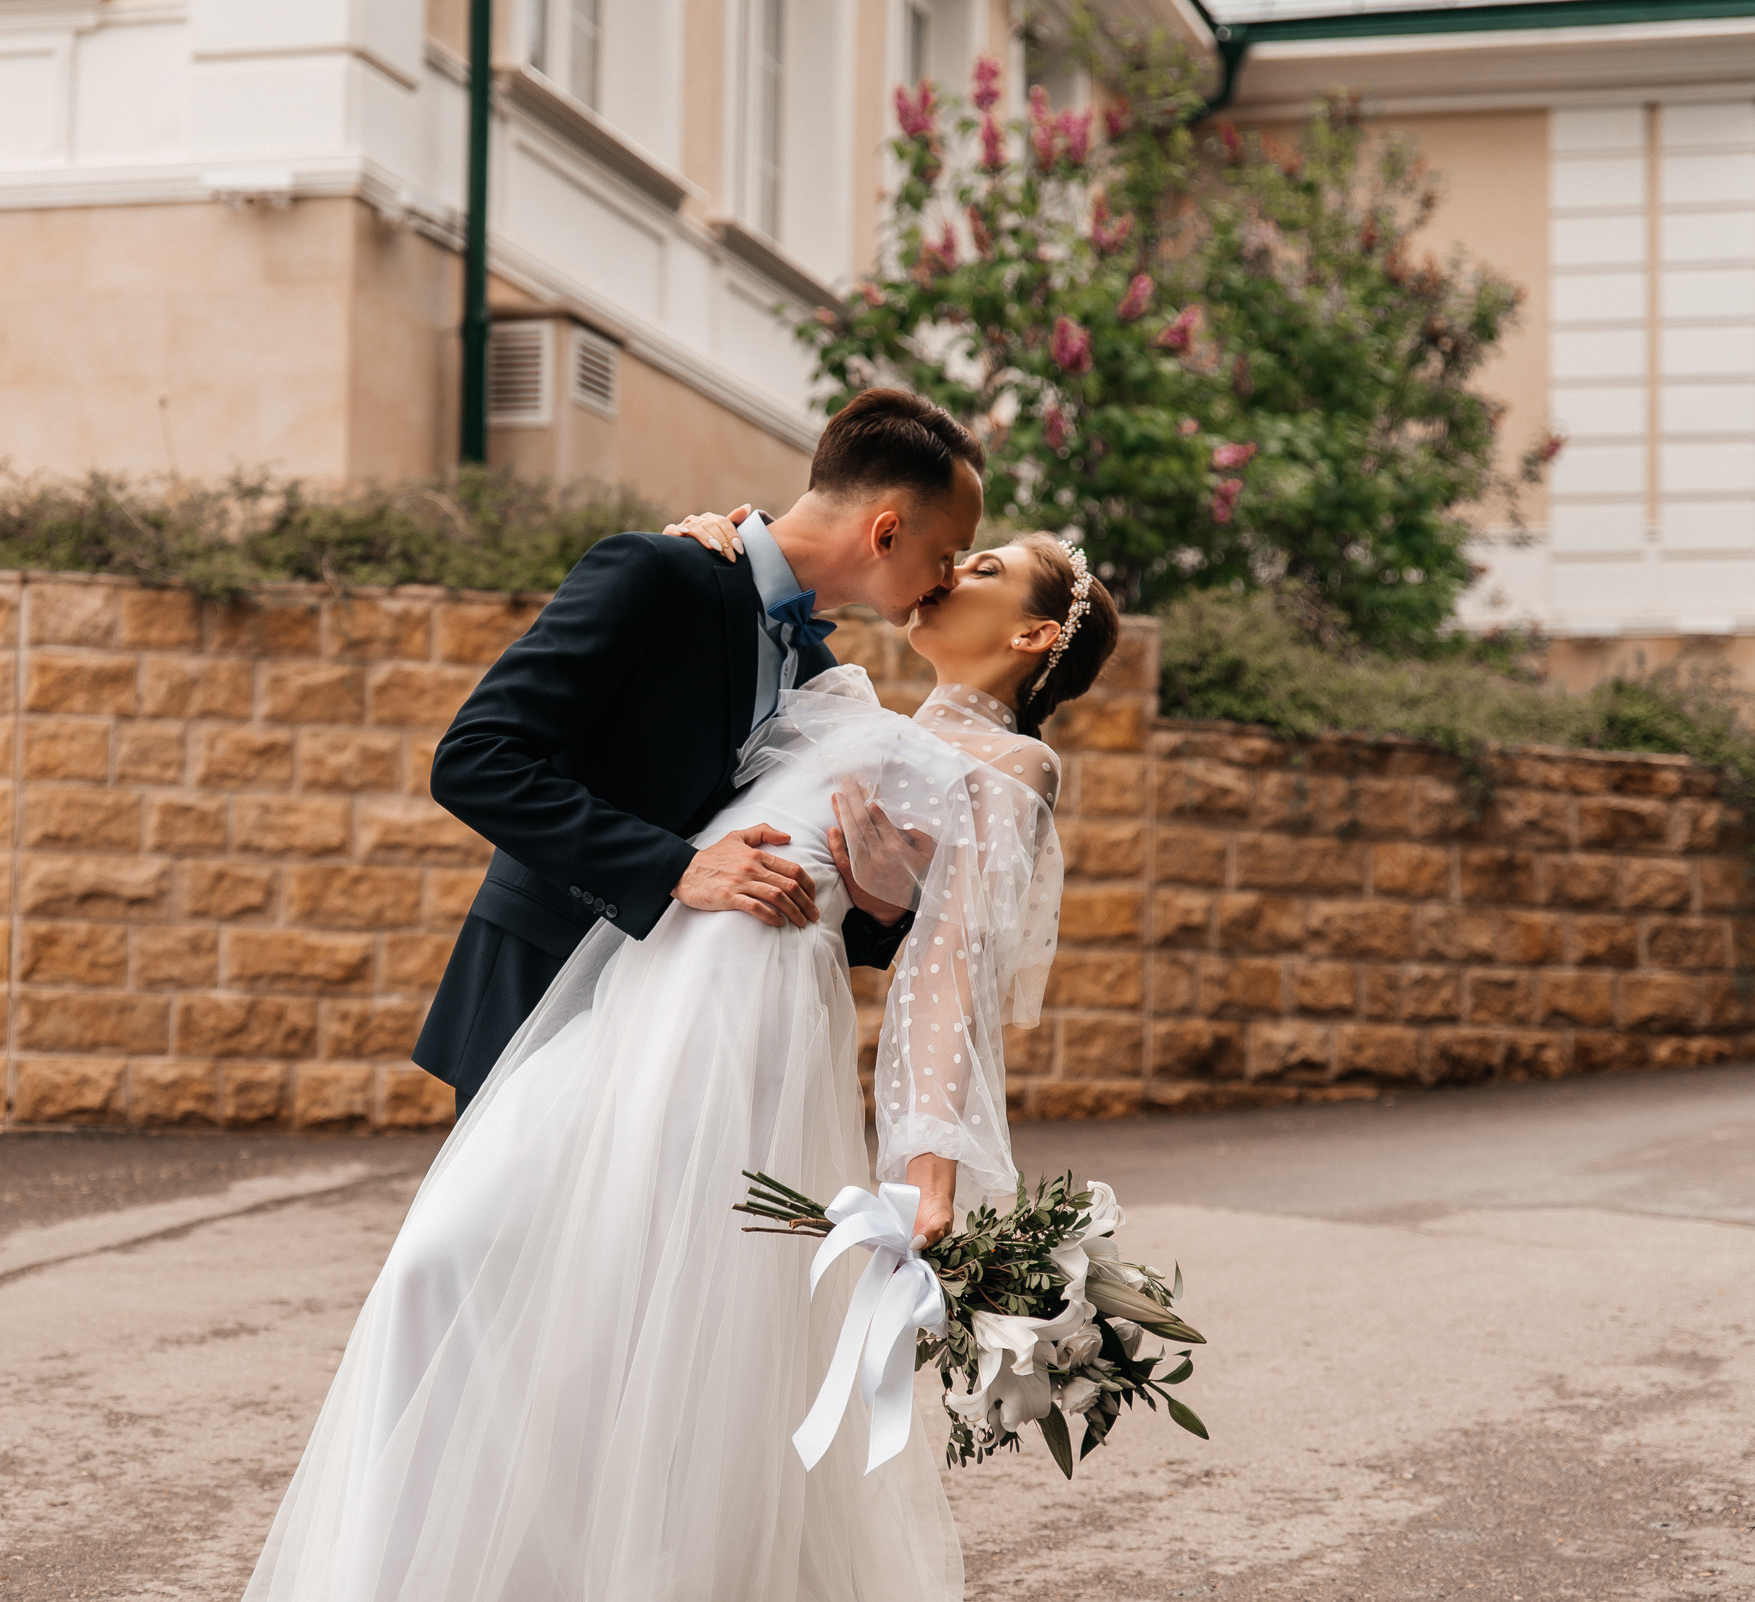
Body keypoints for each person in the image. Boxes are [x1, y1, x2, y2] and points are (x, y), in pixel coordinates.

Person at [239, 519, 1124, 1602]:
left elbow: (947, 984)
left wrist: (928, 1174)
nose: (948, 573)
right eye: (950, 552)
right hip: (631, 992)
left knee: (652, 1337)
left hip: (741, 1029)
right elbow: (762, 597)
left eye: (981, 568)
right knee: (453, 1259)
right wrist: (718, 528)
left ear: (1036, 634)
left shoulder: (1009, 762)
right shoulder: (841, 697)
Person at [414, 388, 986, 1115]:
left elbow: (777, 874)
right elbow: (474, 759)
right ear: (886, 532)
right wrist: (675, 869)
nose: (949, 579)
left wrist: (877, 909)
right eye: (947, 553)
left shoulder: (817, 671)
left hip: (681, 1030)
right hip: (543, 985)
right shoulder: (657, 573)